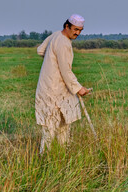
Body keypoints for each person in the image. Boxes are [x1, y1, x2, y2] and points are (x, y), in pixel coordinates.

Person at [35, 14, 90, 153]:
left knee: (62, 123)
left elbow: (40, 50)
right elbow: (66, 70)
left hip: (50, 86)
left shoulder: (55, 35)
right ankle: (46, 158)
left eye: (80, 30)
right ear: (67, 26)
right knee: (52, 127)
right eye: (75, 29)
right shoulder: (64, 43)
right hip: (55, 89)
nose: (77, 33)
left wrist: (51, 61)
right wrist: (79, 89)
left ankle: (61, 156)